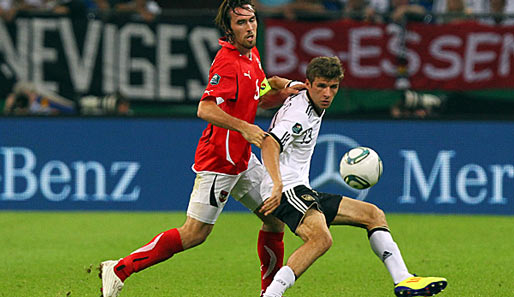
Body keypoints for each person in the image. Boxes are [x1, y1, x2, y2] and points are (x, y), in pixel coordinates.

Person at [99, 1, 305, 297]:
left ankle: (268, 293)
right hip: (219, 159)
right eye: (241, 23)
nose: (250, 28)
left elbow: (255, 94)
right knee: (195, 233)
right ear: (229, 29)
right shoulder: (227, 60)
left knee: (274, 219)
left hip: (242, 160)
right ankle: (119, 269)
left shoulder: (252, 55)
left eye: (252, 21)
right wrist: (246, 128)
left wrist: (280, 90)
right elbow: (205, 108)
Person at [258, 56, 448, 297]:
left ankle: (404, 279)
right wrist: (276, 185)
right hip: (285, 189)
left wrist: (278, 85)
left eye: (333, 87)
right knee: (320, 239)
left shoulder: (303, 90)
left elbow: (274, 81)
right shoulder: (299, 115)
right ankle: (271, 295)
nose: (327, 93)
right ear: (309, 84)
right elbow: (269, 144)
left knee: (373, 214)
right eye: (321, 86)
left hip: (300, 188)